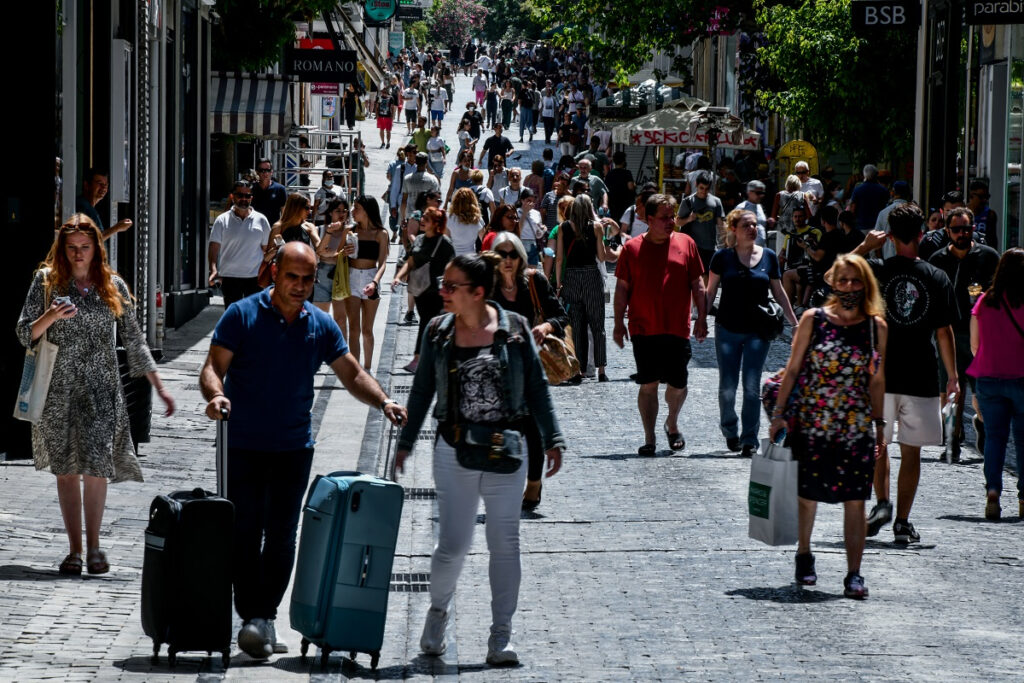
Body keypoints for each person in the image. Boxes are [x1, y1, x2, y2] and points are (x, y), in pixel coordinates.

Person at [199, 241, 406, 659]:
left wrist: (383, 401)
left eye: (307, 279)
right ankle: (252, 615)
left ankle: (264, 616)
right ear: (274, 272)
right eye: (291, 276)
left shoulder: (320, 325)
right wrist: (216, 395)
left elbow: (352, 373)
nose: (299, 286)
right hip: (242, 443)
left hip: (293, 447)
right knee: (244, 532)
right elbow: (212, 367)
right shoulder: (241, 314)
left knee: (280, 537)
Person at [394, 252, 565, 667]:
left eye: (452, 286)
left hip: (506, 451)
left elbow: (538, 388)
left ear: (479, 293)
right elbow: (420, 392)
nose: (443, 292)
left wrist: (553, 436)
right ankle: (438, 613)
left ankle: (501, 636)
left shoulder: (515, 329)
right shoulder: (437, 331)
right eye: (443, 284)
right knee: (453, 546)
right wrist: (406, 441)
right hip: (454, 450)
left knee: (505, 543)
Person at [16, 215, 175, 576]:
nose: (78, 254)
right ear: (62, 249)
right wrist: (50, 316)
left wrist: (160, 387)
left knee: (97, 468)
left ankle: (95, 546)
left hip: (102, 390)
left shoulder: (111, 285)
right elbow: (25, 332)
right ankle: (74, 550)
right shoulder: (46, 282)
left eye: (85, 247)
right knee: (67, 471)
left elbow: (135, 340)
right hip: (58, 390)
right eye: (71, 248)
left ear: (96, 248)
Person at [769, 254, 887, 600]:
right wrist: (779, 412)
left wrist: (880, 424)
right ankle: (804, 553)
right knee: (808, 497)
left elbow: (877, 379)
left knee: (855, 500)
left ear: (866, 284)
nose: (849, 287)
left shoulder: (875, 327)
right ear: (832, 283)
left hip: (855, 427)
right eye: (843, 280)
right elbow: (791, 369)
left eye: (856, 281)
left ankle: (854, 573)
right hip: (813, 423)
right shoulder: (813, 319)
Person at [852, 204, 958, 544]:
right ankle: (901, 522)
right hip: (922, 374)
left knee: (878, 445)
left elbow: (833, 276)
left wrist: (865, 248)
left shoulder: (876, 269)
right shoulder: (936, 276)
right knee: (911, 451)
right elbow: (944, 331)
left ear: (891, 236)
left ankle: (881, 503)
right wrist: (952, 376)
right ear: (922, 235)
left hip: (879, 374)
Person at [613, 194, 708, 454]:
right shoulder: (631, 249)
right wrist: (618, 323)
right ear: (649, 220)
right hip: (643, 327)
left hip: (677, 327)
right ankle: (649, 438)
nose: (671, 222)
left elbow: (697, 285)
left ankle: (672, 422)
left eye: (673, 216)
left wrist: (702, 317)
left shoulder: (686, 243)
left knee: (678, 383)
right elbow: (622, 289)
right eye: (665, 218)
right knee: (649, 383)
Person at [707, 210, 798, 457]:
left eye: (755, 225)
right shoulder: (722, 258)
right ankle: (730, 431)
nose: (752, 229)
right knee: (727, 386)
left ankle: (749, 439)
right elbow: (710, 291)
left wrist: (795, 323)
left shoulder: (768, 256)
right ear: (733, 229)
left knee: (750, 385)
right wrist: (699, 321)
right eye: (746, 225)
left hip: (758, 331)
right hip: (727, 329)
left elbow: (779, 292)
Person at [489, 232, 569, 510]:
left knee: (532, 428)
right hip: (497, 371)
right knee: (504, 428)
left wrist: (546, 327)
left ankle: (533, 482)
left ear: (521, 256)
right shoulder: (487, 287)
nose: (508, 260)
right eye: (502, 254)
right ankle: (505, 483)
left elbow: (561, 316)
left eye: (513, 254)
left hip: (532, 368)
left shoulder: (534, 281)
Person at [928, 207, 999, 460]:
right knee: (949, 391)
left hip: (981, 336)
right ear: (947, 231)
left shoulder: (988, 256)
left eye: (966, 228)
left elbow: (999, 292)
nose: (962, 233)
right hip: (947, 334)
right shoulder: (937, 260)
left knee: (980, 394)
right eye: (956, 229)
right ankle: (951, 440)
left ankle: (981, 425)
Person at [967, 248, 1024, 520]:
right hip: (1022, 378)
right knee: (1022, 441)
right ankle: (1023, 498)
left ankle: (993, 491)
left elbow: (974, 344)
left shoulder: (984, 302)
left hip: (989, 378)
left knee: (995, 438)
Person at [392, 207, 456, 374]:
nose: (422, 220)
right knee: (428, 324)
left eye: (426, 219)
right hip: (419, 291)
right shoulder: (420, 239)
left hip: (435, 292)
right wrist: (398, 276)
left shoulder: (444, 243)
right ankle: (433, 358)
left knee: (427, 323)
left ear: (436, 224)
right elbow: (410, 262)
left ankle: (418, 359)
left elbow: (454, 266)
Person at [554, 192, 608, 383]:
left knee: (577, 326)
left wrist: (559, 284)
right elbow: (601, 257)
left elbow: (559, 258)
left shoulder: (563, 227)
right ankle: (601, 370)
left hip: (571, 277)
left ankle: (579, 370)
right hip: (591, 276)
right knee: (597, 324)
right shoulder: (596, 227)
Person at [341, 197, 390, 370]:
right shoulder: (350, 230)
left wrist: (375, 283)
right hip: (352, 277)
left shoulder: (381, 233)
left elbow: (383, 262)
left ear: (367, 211)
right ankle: (356, 371)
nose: (353, 211)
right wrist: (343, 252)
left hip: (371, 276)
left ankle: (368, 368)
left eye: (357, 208)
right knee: (353, 328)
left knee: (367, 330)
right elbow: (339, 256)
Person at [208, 180, 272, 306]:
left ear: (251, 198)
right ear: (232, 196)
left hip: (254, 278)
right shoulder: (222, 220)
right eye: (240, 195)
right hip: (230, 277)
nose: (244, 199)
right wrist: (213, 269)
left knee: (252, 318)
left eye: (247, 196)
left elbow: (266, 250)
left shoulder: (261, 220)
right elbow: (214, 246)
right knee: (234, 319)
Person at [675, 170, 724, 279]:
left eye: (707, 189)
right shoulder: (688, 201)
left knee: (707, 277)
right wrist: (689, 219)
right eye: (701, 188)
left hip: (710, 247)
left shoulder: (716, 202)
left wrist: (725, 242)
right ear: (696, 185)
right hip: (694, 248)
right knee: (695, 278)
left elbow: (720, 224)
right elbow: (677, 222)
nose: (704, 192)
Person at [313, 198, 351, 336]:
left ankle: (341, 354)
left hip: (341, 275)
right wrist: (330, 232)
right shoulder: (322, 230)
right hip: (323, 274)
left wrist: (330, 254)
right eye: (337, 211)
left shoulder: (350, 231)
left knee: (340, 319)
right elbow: (319, 252)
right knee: (321, 318)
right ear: (330, 213)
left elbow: (328, 253)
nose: (341, 214)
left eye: (344, 211)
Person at [74, 168, 133, 239]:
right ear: (87, 185)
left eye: (106, 184)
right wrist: (117, 228)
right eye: (100, 183)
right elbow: (89, 241)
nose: (104, 188)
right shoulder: (83, 207)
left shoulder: (89, 208)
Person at [771, 175, 812, 255]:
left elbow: (773, 216)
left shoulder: (779, 195)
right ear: (798, 184)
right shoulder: (803, 195)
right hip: (799, 230)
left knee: (781, 253)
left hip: (783, 229)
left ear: (787, 184)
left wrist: (782, 218)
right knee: (797, 255)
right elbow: (809, 215)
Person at [401, 153, 441, 229]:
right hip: (427, 218)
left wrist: (403, 218)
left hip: (411, 216)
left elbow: (404, 201)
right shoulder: (433, 180)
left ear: (415, 162)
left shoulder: (407, 179)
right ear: (426, 162)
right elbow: (436, 201)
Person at [848, 165, 889, 234]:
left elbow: (852, 208)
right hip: (878, 226)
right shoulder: (883, 190)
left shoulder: (858, 189)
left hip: (861, 225)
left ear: (864, 174)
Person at [447, 187, 485, 256]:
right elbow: (484, 240)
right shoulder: (477, 219)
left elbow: (445, 239)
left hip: (454, 258)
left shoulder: (449, 218)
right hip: (470, 258)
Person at [251, 158, 287, 226]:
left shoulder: (280, 189)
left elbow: (284, 213)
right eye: (262, 170)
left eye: (268, 170)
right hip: (254, 228)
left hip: (272, 230)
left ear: (271, 172)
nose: (265, 173)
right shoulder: (251, 189)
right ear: (257, 172)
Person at [735, 180, 770, 246]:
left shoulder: (760, 207)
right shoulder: (741, 207)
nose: (761, 196)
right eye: (758, 193)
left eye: (762, 193)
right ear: (749, 192)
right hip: (746, 249)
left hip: (761, 248)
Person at [604, 151, 635, 224]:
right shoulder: (627, 173)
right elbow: (630, 187)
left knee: (614, 223)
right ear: (624, 161)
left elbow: (606, 189)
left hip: (613, 204)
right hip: (625, 203)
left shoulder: (609, 174)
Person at [967, 180, 998, 251]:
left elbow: (993, 240)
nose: (984, 200)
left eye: (986, 197)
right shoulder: (961, 213)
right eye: (981, 197)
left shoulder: (990, 214)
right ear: (971, 196)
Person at [517, 188, 545, 265]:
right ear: (522, 200)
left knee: (532, 271)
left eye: (533, 201)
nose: (531, 203)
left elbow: (538, 235)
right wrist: (524, 213)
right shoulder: (516, 212)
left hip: (533, 244)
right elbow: (518, 229)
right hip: (520, 243)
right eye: (528, 201)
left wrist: (542, 230)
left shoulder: (537, 213)